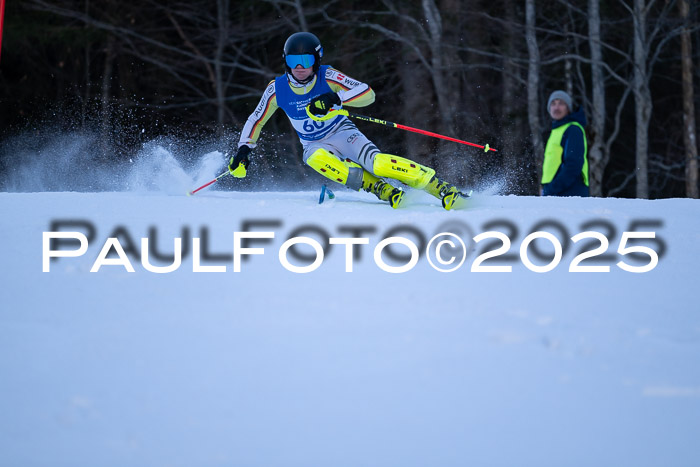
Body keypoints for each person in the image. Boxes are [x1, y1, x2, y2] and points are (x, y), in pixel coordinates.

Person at [227, 32, 464, 209]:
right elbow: (256, 120)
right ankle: (379, 188)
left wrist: (335, 99)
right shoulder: (276, 89)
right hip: (314, 143)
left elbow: (367, 93)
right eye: (292, 61)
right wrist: (244, 149)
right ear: (285, 61)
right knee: (313, 158)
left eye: (306, 61)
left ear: (317, 60)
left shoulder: (327, 76)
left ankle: (439, 187)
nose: (299, 68)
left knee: (379, 164)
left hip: (342, 132)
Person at [541, 90, 590, 197]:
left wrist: (552, 188)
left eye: (561, 104)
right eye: (553, 104)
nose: (556, 108)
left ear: (568, 108)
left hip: (570, 192)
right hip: (557, 192)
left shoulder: (573, 129)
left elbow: (573, 164)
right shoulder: (557, 130)